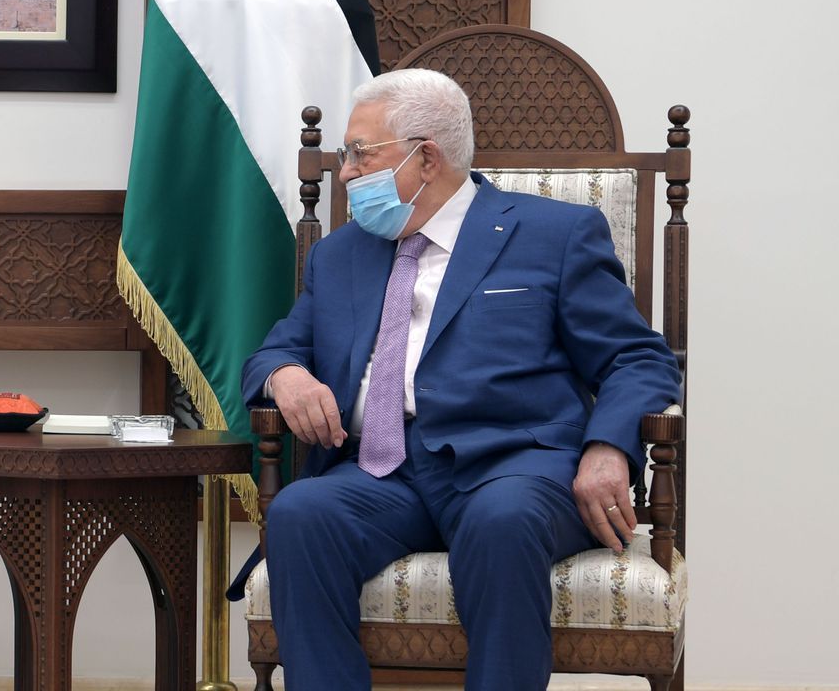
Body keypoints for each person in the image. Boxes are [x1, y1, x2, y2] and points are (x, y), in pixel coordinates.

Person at [241, 68, 680, 691]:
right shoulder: (339, 255)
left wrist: (608, 448)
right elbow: (274, 350)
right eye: (345, 154)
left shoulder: (554, 235)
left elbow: (638, 358)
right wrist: (286, 376)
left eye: (360, 153)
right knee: (301, 513)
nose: (345, 172)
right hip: (382, 474)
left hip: (515, 469)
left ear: (425, 158)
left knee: (501, 521)